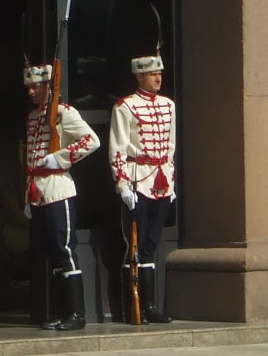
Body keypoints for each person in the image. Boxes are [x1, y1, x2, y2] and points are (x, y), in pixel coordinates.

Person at [23, 63, 100, 331]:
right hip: (39, 193)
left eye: (36, 86)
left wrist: (60, 158)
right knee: (53, 254)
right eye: (29, 87)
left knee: (65, 250)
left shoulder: (64, 113)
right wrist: (27, 198)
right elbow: (31, 160)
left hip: (58, 190)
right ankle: (61, 311)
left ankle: (77, 314)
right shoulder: (34, 117)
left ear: (48, 87)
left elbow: (91, 140)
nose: (31, 91)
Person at [108, 53, 175, 324]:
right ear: (138, 76)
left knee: (150, 245)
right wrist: (122, 184)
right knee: (133, 247)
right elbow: (117, 148)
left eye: (159, 73)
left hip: (161, 181)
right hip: (137, 180)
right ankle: (130, 308)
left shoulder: (169, 105)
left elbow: (170, 148)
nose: (157, 78)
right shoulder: (125, 106)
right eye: (151, 74)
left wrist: (172, 181)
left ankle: (149, 306)